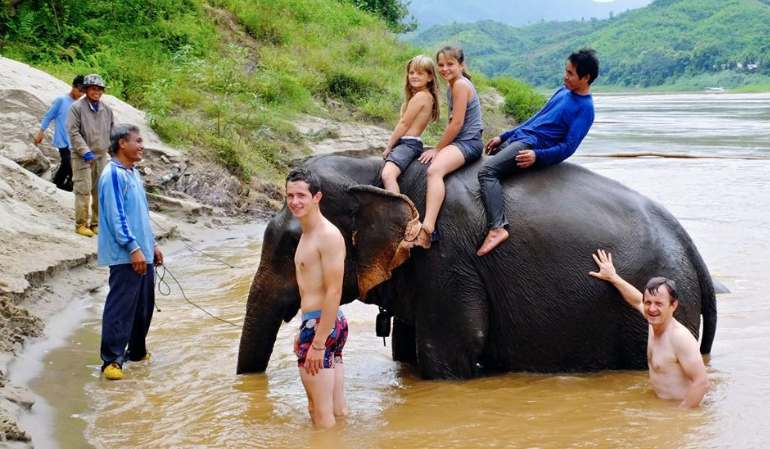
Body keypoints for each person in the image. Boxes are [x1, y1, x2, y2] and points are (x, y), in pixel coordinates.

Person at [476, 49, 598, 256]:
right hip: (519, 138)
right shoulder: (563, 92)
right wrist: (504, 136)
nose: (565, 76)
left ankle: (498, 227)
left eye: (570, 74)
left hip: (530, 147)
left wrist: (537, 156)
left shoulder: (585, 110)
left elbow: (568, 148)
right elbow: (536, 119)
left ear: (586, 78)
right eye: (565, 71)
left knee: (487, 172)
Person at [589, 249, 709, 408]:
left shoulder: (679, 338)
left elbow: (701, 382)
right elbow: (636, 300)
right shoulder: (653, 322)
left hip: (678, 410)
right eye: (649, 302)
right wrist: (613, 277)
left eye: (659, 304)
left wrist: (680, 418)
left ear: (673, 305)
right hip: (662, 406)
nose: (652, 309)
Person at [97, 125, 163, 381]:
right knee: (121, 307)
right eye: (138, 141)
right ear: (122, 144)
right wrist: (133, 248)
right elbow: (117, 218)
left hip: (142, 251)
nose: (142, 146)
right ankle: (111, 361)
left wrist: (152, 245)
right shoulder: (113, 175)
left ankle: (136, 352)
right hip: (126, 255)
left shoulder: (132, 173)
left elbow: (141, 216)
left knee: (143, 306)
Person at [287, 168, 349, 428]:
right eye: (290, 195)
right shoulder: (308, 234)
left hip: (322, 328)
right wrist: (303, 331)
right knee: (337, 410)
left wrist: (317, 342)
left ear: (317, 197)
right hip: (327, 324)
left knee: (318, 412)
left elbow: (335, 290)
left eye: (302, 195)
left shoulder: (327, 235)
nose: (294, 202)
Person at [414, 46, 484, 248]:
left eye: (450, 64)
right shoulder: (451, 86)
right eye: (441, 65)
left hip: (468, 143)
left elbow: (457, 124)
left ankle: (428, 228)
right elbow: (452, 122)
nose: (445, 69)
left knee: (434, 171)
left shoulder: (461, 85)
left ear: (461, 65)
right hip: (459, 142)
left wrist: (438, 149)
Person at [381, 55, 440, 194]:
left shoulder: (421, 96)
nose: (414, 76)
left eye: (420, 73)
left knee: (387, 175)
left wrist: (389, 145)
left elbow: (404, 124)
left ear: (430, 77)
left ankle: (399, 212)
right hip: (410, 143)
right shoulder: (425, 96)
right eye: (411, 72)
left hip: (408, 144)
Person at [68, 73, 114, 238]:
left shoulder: (107, 110)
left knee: (99, 191)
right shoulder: (77, 108)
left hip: (101, 156)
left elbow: (111, 132)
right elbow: (73, 132)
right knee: (83, 189)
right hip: (82, 157)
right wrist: (85, 151)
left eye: (100, 89)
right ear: (86, 89)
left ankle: (96, 223)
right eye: (93, 89)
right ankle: (81, 224)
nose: (97, 92)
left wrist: (114, 153)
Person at [33, 74, 85, 191]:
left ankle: (62, 186)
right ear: (73, 86)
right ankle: (59, 185)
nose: (81, 93)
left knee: (71, 168)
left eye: (84, 91)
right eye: (80, 89)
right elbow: (48, 116)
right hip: (62, 139)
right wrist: (41, 132)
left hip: (74, 141)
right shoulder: (61, 100)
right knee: (67, 164)